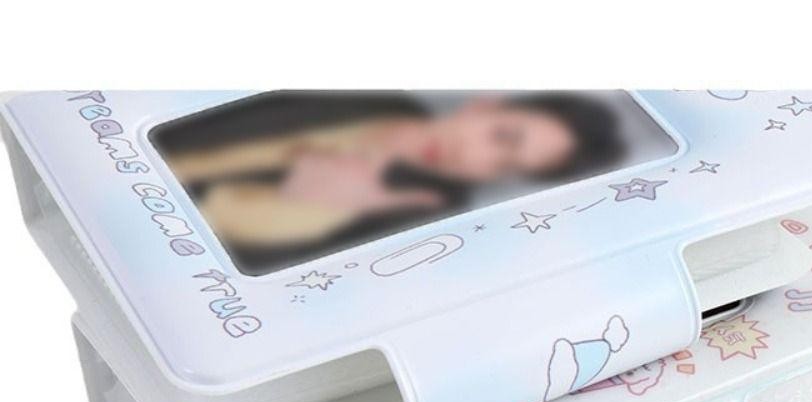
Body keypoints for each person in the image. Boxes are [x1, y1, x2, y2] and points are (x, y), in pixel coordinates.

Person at [152, 90, 625, 273]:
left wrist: (314, 210)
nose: (475, 157)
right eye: (501, 135)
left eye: (504, 166)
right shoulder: (369, 90)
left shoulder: (420, 224)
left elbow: (223, 269)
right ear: (487, 104)